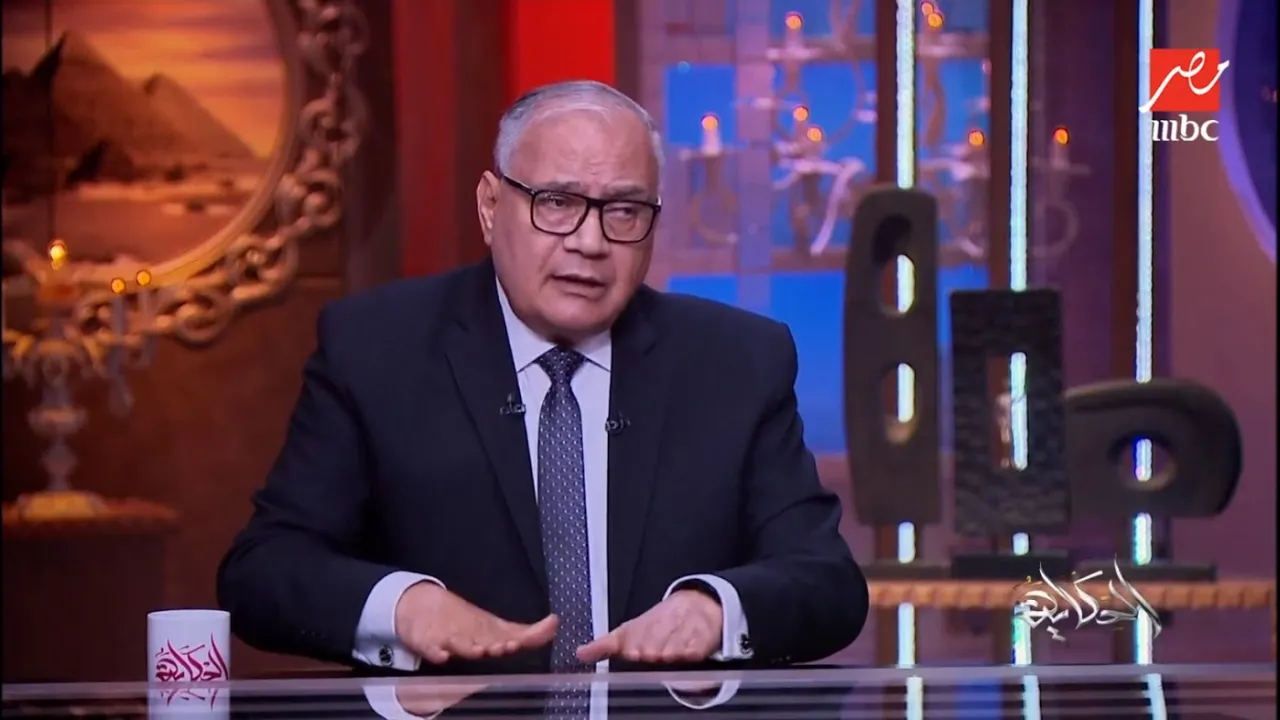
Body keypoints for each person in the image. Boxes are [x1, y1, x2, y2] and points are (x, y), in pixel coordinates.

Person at [217, 80, 868, 716]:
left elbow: (827, 581)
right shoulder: (376, 350)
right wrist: (403, 606)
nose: (590, 241)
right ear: (490, 205)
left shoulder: (736, 363)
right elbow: (264, 571)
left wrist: (715, 609)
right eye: (556, 202)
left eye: (624, 211)